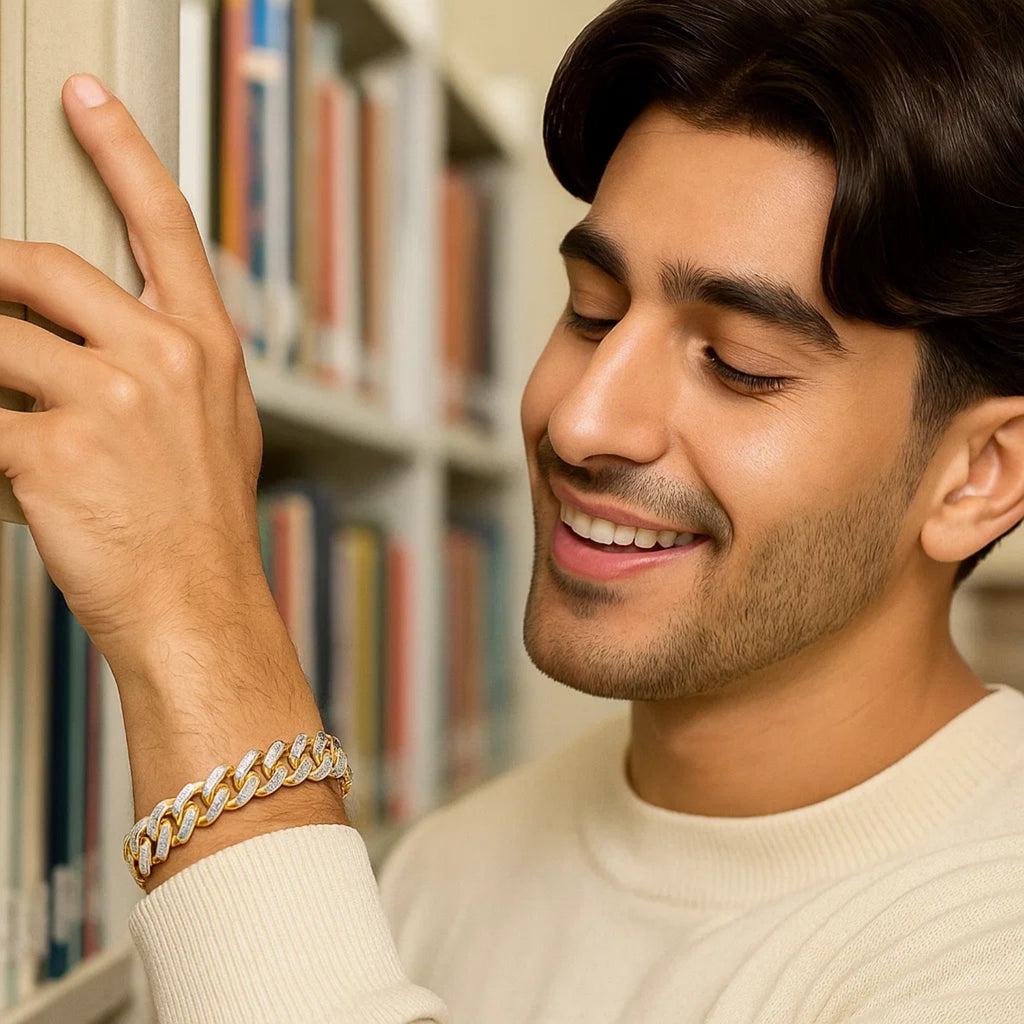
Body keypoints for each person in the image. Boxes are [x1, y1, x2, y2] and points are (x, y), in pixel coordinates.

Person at [1, 0, 1023, 1019]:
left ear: (981, 472)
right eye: (591, 309)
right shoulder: (442, 868)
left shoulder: (990, 940)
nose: (581, 419)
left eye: (737, 364)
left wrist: (194, 605)